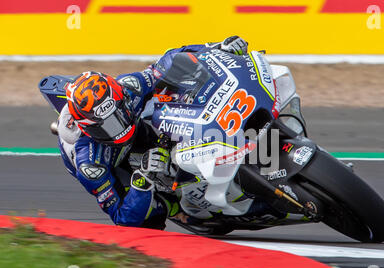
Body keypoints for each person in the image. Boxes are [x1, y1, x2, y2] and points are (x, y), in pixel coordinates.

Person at [56, 36, 248, 229]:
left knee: (173, 90)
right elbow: (122, 218)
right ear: (90, 128)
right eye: (109, 125)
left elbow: (170, 60)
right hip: (116, 164)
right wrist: (143, 178)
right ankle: (175, 208)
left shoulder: (129, 87)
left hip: (141, 127)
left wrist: (216, 48)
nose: (120, 127)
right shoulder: (90, 164)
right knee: (148, 222)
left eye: (120, 113)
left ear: (121, 98)